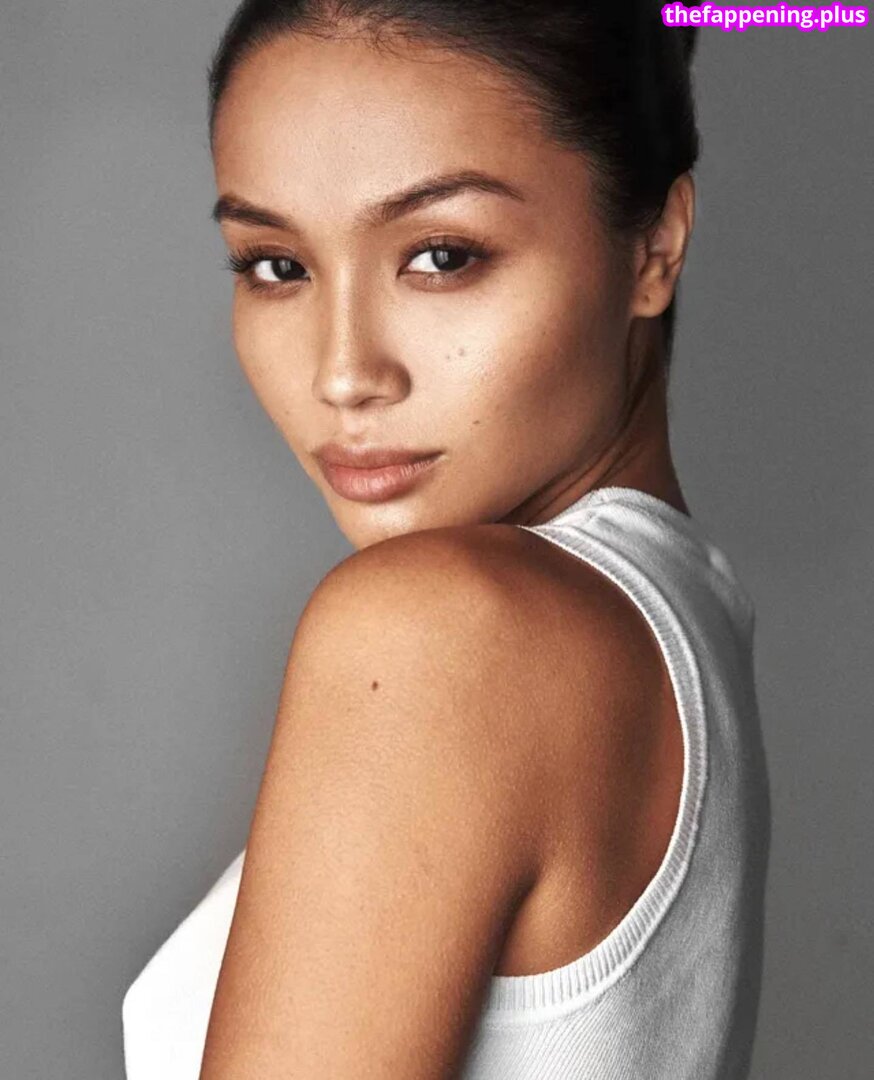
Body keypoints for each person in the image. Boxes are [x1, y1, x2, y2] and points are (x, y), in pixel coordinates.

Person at [122, 2, 771, 1077]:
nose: (343, 373)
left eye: (441, 255)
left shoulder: (443, 628)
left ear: (654, 246)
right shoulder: (677, 617)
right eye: (275, 265)